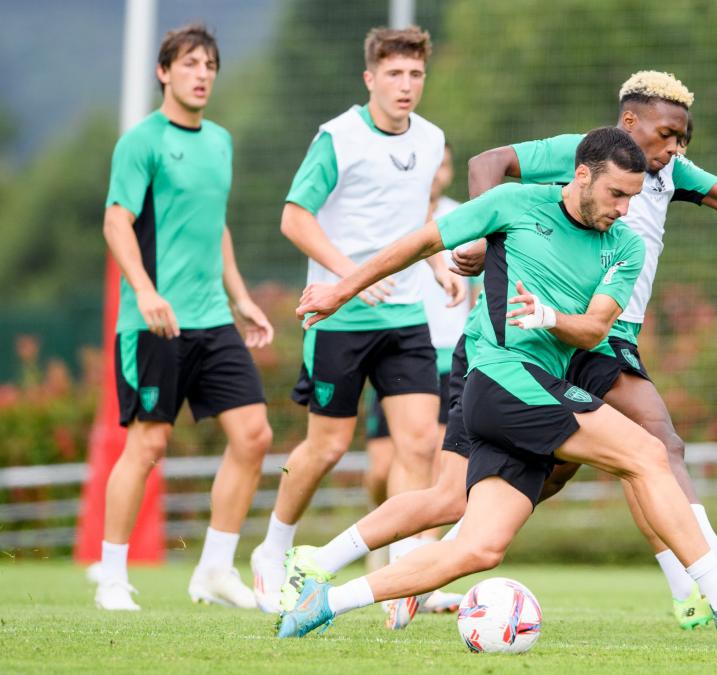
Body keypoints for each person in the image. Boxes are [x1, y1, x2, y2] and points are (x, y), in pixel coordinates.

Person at [278, 127, 717, 639]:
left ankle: (324, 601)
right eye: (616, 194)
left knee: (478, 548)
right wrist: (340, 291)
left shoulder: (625, 245)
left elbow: (596, 328)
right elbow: (419, 243)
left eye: (633, 198)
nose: (625, 209)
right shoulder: (514, 204)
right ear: (582, 176)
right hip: (501, 380)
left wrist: (550, 317)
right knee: (646, 453)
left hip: (534, 389)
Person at [461, 70, 717, 628]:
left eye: (683, 140)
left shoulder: (669, 174)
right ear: (629, 121)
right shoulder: (583, 156)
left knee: (547, 475)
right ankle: (715, 568)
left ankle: (438, 549)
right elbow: (486, 163)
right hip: (578, 331)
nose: (675, 148)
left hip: (611, 332)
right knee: (659, 439)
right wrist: (483, 233)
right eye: (668, 134)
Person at [249, 26, 464, 613]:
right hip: (340, 318)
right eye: (394, 74)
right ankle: (272, 549)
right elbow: (295, 218)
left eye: (415, 74)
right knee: (328, 447)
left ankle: (406, 575)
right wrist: (351, 279)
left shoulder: (430, 139)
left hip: (405, 318)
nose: (406, 85)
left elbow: (417, 217)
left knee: (419, 441)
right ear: (370, 78)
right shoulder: (338, 138)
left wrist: (441, 264)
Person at [96, 23, 275, 611]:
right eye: (190, 64)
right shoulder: (141, 141)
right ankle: (114, 578)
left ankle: (214, 572)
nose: (202, 75)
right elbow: (116, 222)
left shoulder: (220, 141)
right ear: (164, 72)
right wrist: (145, 291)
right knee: (147, 446)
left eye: (210, 66)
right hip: (153, 321)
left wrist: (241, 296)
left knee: (254, 436)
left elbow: (213, 225)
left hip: (211, 319)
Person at [360, 143, 470, 615]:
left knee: (432, 459)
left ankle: (418, 573)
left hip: (450, 356)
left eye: (444, 162)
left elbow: (482, 280)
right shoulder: (393, 215)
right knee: (383, 470)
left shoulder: (461, 216)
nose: (437, 170)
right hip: (397, 350)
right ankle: (378, 542)